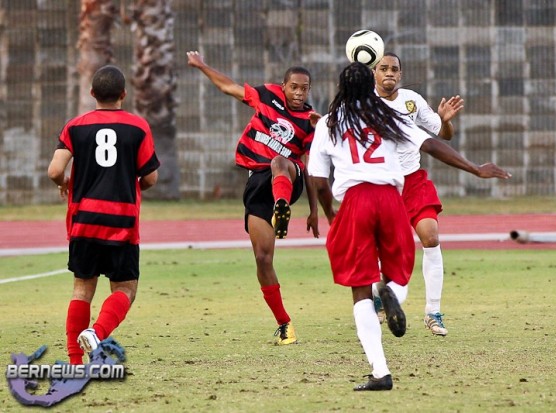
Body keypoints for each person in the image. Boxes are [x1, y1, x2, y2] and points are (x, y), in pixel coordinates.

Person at [186, 50, 320, 345]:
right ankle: (284, 324)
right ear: (283, 86)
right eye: (294, 87)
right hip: (258, 183)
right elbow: (229, 87)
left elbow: (310, 168)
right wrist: (202, 65)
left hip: (290, 177)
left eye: (304, 88)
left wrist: (314, 210)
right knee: (262, 259)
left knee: (279, 161)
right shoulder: (267, 96)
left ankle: (282, 206)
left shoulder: (310, 121)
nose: (299, 93)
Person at [308, 62, 417, 391]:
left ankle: (381, 372)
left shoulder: (329, 122)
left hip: (355, 201)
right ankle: (393, 294)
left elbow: (318, 179)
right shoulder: (389, 115)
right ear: (371, 86)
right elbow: (428, 144)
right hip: (389, 197)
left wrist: (329, 212)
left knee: (359, 290)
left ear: (340, 87)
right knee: (400, 271)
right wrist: (475, 168)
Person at [47, 65, 160, 365]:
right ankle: (96, 333)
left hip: (84, 220)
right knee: (125, 288)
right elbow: (150, 178)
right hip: (122, 221)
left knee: (82, 288)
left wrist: (65, 183)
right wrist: (130, 183)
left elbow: (55, 170)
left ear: (92, 93)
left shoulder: (75, 126)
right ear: (124, 94)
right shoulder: (138, 127)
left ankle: (74, 361)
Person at [373, 52, 474, 335]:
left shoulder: (412, 100)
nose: (389, 73)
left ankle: (433, 312)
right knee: (383, 249)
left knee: (431, 238)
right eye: (383, 68)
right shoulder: (364, 103)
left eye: (394, 69)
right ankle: (378, 298)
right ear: (374, 73)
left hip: (414, 182)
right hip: (381, 184)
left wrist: (446, 120)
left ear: (400, 74)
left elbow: (444, 134)